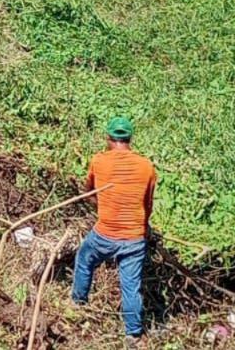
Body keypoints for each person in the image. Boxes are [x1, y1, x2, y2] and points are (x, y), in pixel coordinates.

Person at [72, 117, 157, 346]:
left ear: (108, 139)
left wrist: (102, 206)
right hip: (134, 238)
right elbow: (147, 204)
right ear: (130, 139)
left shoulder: (99, 161)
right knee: (131, 285)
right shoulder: (147, 166)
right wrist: (144, 226)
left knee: (84, 258)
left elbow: (88, 191)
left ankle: (78, 303)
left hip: (105, 233)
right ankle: (133, 334)